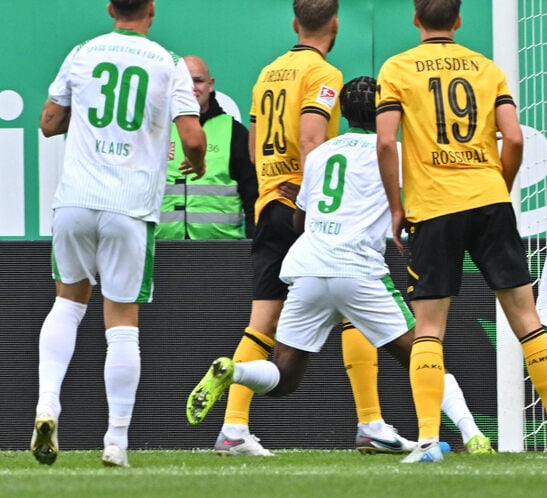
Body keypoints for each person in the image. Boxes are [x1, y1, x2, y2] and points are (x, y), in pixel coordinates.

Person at [186, 77, 493, 455]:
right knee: (422, 355)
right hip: (358, 271)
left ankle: (236, 371)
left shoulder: (321, 154)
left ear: (342, 114)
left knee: (283, 377)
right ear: (385, 111)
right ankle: (472, 433)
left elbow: (299, 224)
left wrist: (308, 205)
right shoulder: (393, 152)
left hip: (309, 269)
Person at [375, 0, 547, 463]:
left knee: (428, 328)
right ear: (459, 19)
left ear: (415, 19)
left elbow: (386, 143)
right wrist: (499, 187)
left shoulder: (398, 68)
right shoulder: (486, 69)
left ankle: (428, 440)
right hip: (490, 201)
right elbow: (512, 138)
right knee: (527, 319)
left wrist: (396, 205)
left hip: (435, 206)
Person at [32, 0, 207, 468]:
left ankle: (47, 405)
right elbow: (193, 140)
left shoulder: (83, 52)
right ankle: (116, 442)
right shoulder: (168, 63)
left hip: (76, 200)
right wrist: (192, 165)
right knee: (122, 323)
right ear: (151, 7)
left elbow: (48, 123)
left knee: (67, 304)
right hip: (128, 206)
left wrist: (81, 115)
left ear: (110, 9)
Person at [212, 0, 347, 457]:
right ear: (334, 25)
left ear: (295, 25)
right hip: (301, 207)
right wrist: (311, 205)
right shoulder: (324, 73)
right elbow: (311, 141)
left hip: (269, 202)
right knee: (358, 298)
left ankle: (233, 428)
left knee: (262, 322)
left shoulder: (268, 73)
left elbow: (251, 146)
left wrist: (270, 188)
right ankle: (371, 421)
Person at [157, 55, 257, 240]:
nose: (192, 88)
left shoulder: (234, 132)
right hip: (160, 248)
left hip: (222, 251)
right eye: (185, 81)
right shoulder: (156, 129)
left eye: (198, 81)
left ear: (210, 85)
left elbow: (252, 196)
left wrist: (253, 247)